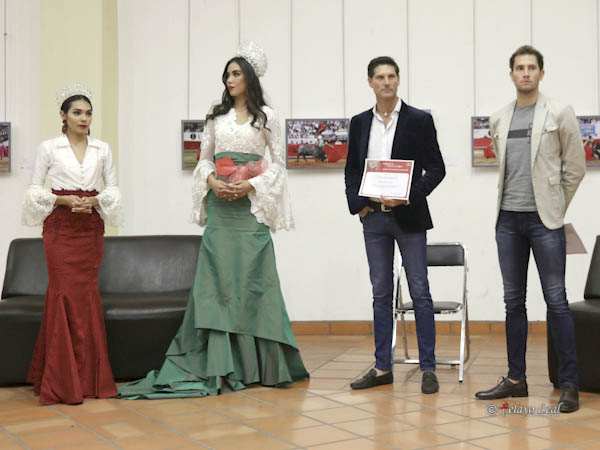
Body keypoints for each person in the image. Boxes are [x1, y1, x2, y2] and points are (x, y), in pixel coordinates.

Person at [118, 42, 308, 399]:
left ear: (249, 77)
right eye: (227, 74)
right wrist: (211, 181)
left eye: (235, 73)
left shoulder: (267, 116)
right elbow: (204, 159)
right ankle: (218, 361)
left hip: (249, 210)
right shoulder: (215, 117)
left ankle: (258, 365)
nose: (229, 79)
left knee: (252, 280)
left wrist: (250, 184)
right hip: (221, 209)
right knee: (218, 282)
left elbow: (279, 165)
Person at [474, 45, 585, 413]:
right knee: (513, 302)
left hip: (544, 221)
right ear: (511, 74)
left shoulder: (559, 112)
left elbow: (575, 167)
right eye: (519, 68)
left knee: (556, 301)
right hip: (507, 220)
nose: (525, 73)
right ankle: (516, 379)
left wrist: (555, 207)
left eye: (531, 68)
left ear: (541, 73)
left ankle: (569, 383)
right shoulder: (499, 118)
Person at [344, 56, 445, 393]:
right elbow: (352, 171)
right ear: (370, 82)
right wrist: (358, 206)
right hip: (373, 218)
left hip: (409, 216)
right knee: (380, 293)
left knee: (420, 292)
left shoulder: (419, 120)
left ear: (398, 80)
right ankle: (382, 367)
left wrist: (409, 196)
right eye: (380, 77)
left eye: (391, 76)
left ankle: (428, 368)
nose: (386, 82)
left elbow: (437, 169)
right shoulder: (360, 122)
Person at [22, 83, 123, 405]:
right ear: (63, 116)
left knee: (86, 295)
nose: (84, 118)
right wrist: (62, 200)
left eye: (88, 113)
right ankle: (59, 380)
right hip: (60, 229)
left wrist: (94, 202)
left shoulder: (102, 149)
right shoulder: (49, 148)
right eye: (77, 112)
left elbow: (114, 189)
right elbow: (34, 190)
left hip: (90, 228)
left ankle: (89, 379)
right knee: (62, 293)